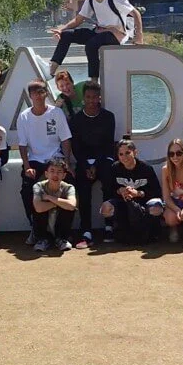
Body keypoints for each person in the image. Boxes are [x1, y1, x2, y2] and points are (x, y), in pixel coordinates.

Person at [47, 0, 144, 80]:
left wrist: (139, 36)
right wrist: (61, 30)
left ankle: (94, 80)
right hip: (100, 32)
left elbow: (135, 13)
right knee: (67, 35)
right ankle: (51, 70)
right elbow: (78, 20)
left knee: (91, 45)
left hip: (116, 35)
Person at [15, 79, 74, 244]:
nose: (39, 96)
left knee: (69, 186)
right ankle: (36, 229)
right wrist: (27, 166)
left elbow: (66, 140)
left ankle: (64, 234)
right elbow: (23, 145)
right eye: (35, 93)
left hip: (56, 159)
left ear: (46, 93)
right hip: (35, 159)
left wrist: (67, 162)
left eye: (41, 92)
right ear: (30, 95)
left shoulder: (56, 113)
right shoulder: (24, 117)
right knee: (27, 190)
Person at [69, 82, 116, 248]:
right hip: (84, 161)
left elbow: (108, 144)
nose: (91, 100)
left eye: (94, 97)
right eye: (88, 97)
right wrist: (86, 164)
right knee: (82, 188)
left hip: (102, 159)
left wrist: (96, 164)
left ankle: (109, 226)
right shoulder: (75, 120)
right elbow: (76, 147)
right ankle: (86, 230)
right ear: (84, 98)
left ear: (99, 98)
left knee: (108, 179)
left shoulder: (108, 117)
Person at [100, 138, 163, 245]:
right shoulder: (115, 168)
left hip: (143, 204)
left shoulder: (146, 168)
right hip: (123, 204)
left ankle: (153, 232)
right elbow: (107, 189)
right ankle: (113, 229)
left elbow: (157, 191)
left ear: (135, 152)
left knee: (156, 207)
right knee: (105, 208)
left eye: (128, 153)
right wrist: (120, 191)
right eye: (121, 154)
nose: (125, 157)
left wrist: (138, 193)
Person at [32, 157, 78, 253]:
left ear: (64, 175)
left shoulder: (69, 187)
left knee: (69, 208)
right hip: (45, 221)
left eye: (59, 172)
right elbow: (38, 207)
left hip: (60, 222)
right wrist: (59, 203)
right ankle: (42, 239)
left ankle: (61, 239)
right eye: (52, 171)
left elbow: (72, 205)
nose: (55, 175)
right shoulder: (38, 186)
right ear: (46, 174)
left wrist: (49, 198)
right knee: (39, 207)